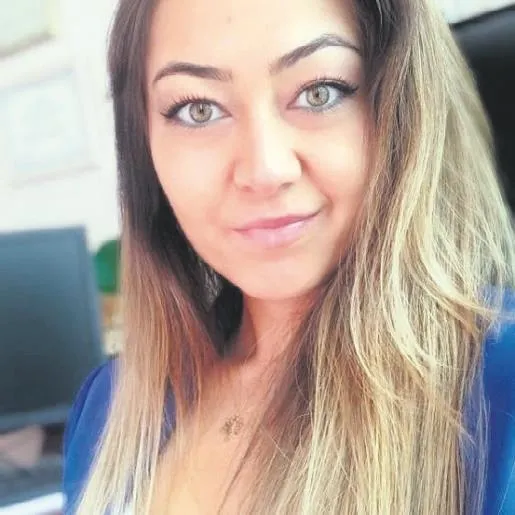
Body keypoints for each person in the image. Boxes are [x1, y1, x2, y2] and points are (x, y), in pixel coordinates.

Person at [62, 0, 515, 513]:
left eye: (320, 92)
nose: (265, 170)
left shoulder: (500, 388)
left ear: (405, 110)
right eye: (197, 109)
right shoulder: (105, 406)